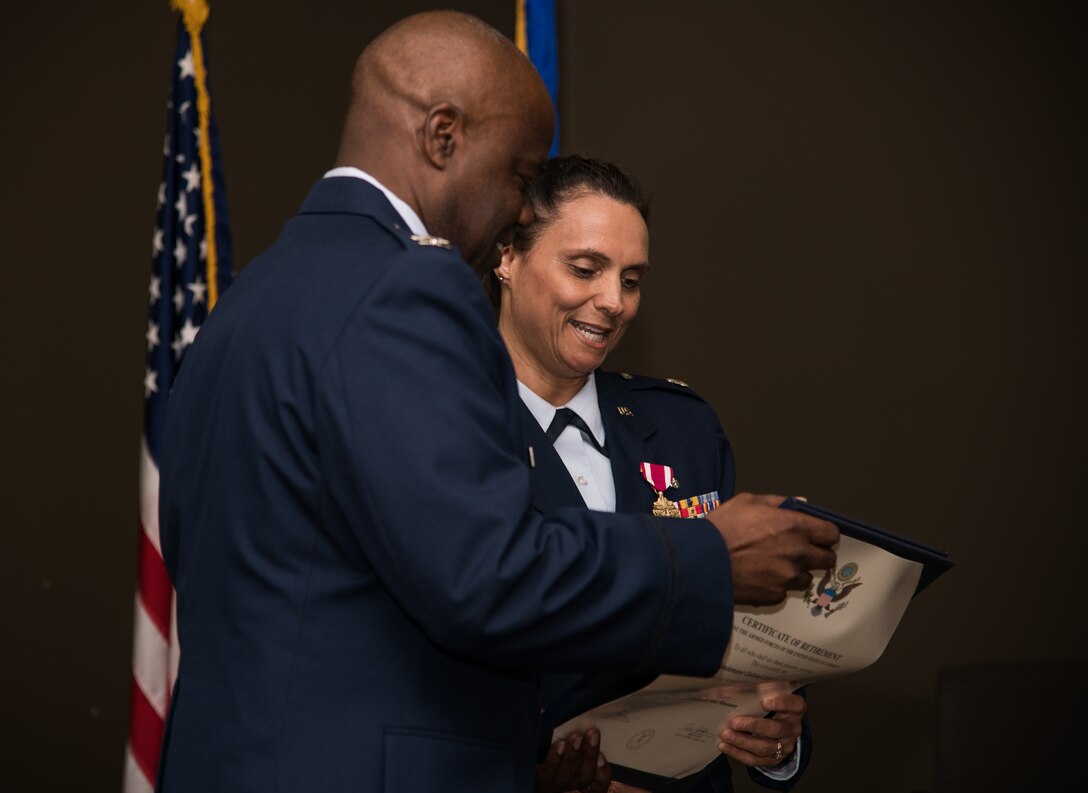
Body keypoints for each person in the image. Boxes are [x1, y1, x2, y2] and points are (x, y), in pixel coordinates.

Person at [156, 11, 838, 793]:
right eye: (520, 174)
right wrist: (712, 557)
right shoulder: (405, 284)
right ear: (442, 136)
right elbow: (486, 574)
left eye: (633, 277)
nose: (520, 207)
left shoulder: (245, 308)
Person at [489, 155, 810, 793]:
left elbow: (747, 632)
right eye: (585, 269)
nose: (613, 302)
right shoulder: (450, 429)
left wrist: (776, 738)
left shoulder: (682, 426)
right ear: (507, 257)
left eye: (631, 280)